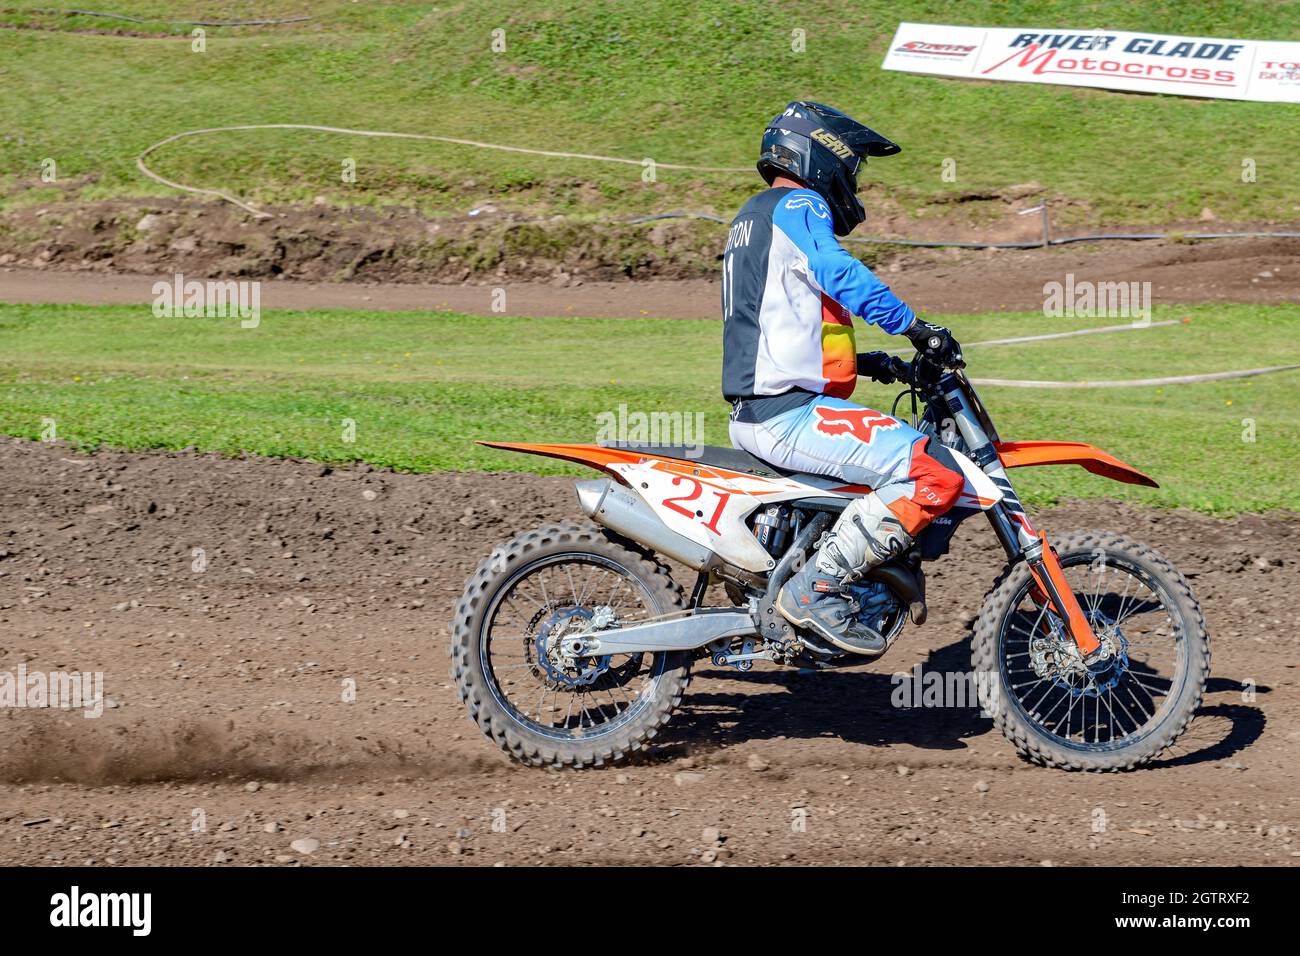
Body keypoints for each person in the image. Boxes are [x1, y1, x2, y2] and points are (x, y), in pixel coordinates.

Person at [722, 101, 966, 656]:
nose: (854, 180)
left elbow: (786, 318)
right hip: (786, 413)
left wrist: (877, 363)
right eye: (852, 166)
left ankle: (820, 574)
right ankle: (818, 589)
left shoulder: (754, 215)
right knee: (933, 475)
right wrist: (915, 328)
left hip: (764, 407)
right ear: (821, 154)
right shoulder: (799, 202)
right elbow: (838, 272)